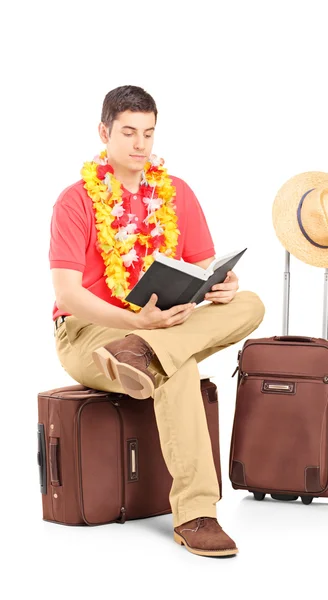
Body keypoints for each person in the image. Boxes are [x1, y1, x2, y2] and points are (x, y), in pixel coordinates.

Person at [49, 85, 266, 558]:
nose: (140, 144)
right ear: (104, 132)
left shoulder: (176, 192)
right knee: (178, 366)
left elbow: (204, 268)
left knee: (249, 303)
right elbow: (67, 295)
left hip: (158, 331)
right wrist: (137, 324)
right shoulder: (75, 200)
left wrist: (222, 285)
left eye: (148, 133)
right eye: (128, 132)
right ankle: (195, 515)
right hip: (91, 333)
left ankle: (146, 356)